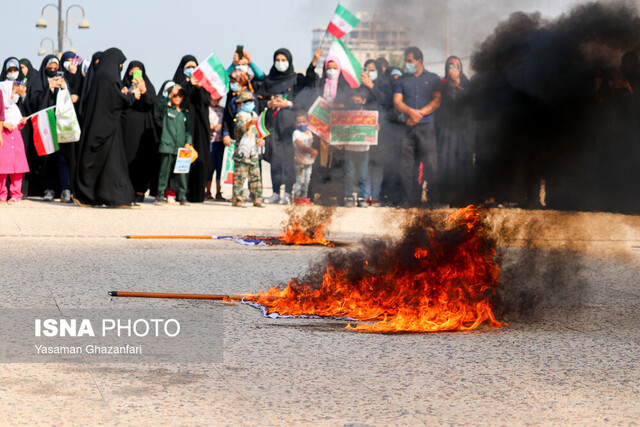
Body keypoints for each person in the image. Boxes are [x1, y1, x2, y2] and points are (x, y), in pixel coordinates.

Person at [74, 47, 141, 208]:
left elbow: (112, 98)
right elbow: (116, 100)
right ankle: (96, 196)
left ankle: (111, 197)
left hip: (106, 127)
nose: (120, 68)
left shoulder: (103, 77)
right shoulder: (107, 77)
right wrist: (132, 96)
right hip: (104, 128)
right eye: (120, 64)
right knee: (106, 164)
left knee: (111, 165)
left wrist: (123, 93)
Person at [259, 48, 317, 205]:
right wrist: (268, 103)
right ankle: (276, 192)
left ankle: (288, 193)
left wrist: (288, 103)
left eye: (284, 60)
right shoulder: (269, 80)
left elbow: (306, 96)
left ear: (289, 61)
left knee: (289, 160)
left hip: (289, 127)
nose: (280, 63)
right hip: (272, 126)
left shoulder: (296, 79)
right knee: (275, 159)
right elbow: (259, 99)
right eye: (278, 60)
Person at [393, 46, 442, 207]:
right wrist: (411, 112)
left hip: (426, 127)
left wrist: (420, 113)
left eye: (409, 61)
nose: (407, 64)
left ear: (418, 61)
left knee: (431, 164)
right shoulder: (402, 80)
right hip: (407, 128)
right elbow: (397, 101)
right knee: (406, 166)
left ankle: (432, 199)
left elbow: (437, 101)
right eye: (406, 61)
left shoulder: (433, 79)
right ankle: (408, 200)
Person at [32, 55, 74, 203]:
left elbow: (68, 105)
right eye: (50, 68)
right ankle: (48, 189)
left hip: (61, 126)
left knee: (62, 159)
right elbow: (36, 103)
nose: (53, 71)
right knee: (47, 159)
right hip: (46, 125)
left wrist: (64, 89)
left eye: (56, 69)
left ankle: (65, 189)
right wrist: (47, 89)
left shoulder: (64, 82)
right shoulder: (39, 81)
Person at [172, 55, 211, 203]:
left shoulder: (202, 84)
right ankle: (181, 192)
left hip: (200, 127)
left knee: (200, 158)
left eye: (194, 67)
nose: (191, 70)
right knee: (184, 157)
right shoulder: (179, 84)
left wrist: (199, 87)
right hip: (184, 126)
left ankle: (198, 193)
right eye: (188, 67)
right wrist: (188, 84)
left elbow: (207, 101)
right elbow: (179, 101)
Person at [436, 56, 474, 207]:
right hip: (446, 129)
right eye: (449, 66)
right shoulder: (441, 85)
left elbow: (471, 104)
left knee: (463, 162)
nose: (452, 68)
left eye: (455, 66)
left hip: (463, 131)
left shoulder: (467, 84)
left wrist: (458, 84)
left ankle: (463, 197)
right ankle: (446, 197)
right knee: (445, 162)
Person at [121, 60, 158, 203]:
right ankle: (126, 188)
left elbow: (152, 103)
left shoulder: (147, 86)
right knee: (126, 158)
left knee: (142, 160)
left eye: (137, 71)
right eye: (132, 71)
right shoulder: (123, 85)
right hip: (125, 129)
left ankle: (140, 190)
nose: (134, 74)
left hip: (142, 130)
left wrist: (143, 90)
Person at [360, 59, 393, 207]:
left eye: (373, 70)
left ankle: (376, 195)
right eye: (367, 69)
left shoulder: (385, 85)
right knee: (366, 163)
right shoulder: (361, 87)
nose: (370, 73)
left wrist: (372, 86)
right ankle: (365, 195)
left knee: (378, 164)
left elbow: (387, 102)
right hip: (365, 131)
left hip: (381, 130)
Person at [155, 84, 191, 206]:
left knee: (182, 174)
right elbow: (160, 105)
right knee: (164, 172)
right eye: (175, 95)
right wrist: (170, 93)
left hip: (181, 148)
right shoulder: (167, 109)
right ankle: (160, 195)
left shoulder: (185, 113)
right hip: (167, 146)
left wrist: (188, 143)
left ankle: (182, 196)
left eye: (179, 96)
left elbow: (188, 130)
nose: (177, 97)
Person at [231, 90, 264, 207]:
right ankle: (238, 198)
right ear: (240, 104)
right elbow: (240, 129)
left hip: (253, 150)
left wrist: (260, 139)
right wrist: (249, 123)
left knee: (255, 177)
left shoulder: (255, 115)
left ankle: (257, 198)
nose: (249, 103)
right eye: (246, 101)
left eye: (251, 101)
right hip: (242, 151)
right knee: (240, 177)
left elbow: (260, 131)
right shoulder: (239, 116)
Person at [0, 81, 29, 204]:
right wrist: (4, 125)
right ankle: (2, 194)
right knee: (2, 168)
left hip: (16, 139)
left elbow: (18, 124)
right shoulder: (2, 106)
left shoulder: (14, 107)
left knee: (17, 168)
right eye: (12, 90)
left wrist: (22, 122)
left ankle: (16, 194)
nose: (14, 93)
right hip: (3, 137)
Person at [342, 88, 371, 207]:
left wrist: (376, 127)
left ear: (363, 101)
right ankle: (349, 197)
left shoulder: (369, 115)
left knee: (363, 175)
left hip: (364, 150)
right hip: (349, 149)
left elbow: (372, 130)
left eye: (358, 100)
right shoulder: (345, 115)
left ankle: (361, 198)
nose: (355, 103)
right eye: (353, 101)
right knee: (349, 174)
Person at [291, 110, 316, 205]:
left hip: (309, 161)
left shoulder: (309, 133)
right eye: (299, 122)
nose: (302, 124)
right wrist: (311, 150)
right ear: (295, 123)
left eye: (304, 122)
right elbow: (299, 145)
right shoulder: (296, 133)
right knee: (299, 180)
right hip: (300, 160)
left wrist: (313, 153)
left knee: (307, 180)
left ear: (308, 122)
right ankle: (297, 198)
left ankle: (304, 197)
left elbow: (312, 144)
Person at [206, 95, 225, 201]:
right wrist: (211, 127)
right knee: (210, 167)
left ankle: (218, 192)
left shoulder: (222, 110)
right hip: (210, 141)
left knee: (220, 168)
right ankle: (207, 191)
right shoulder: (206, 109)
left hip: (221, 142)